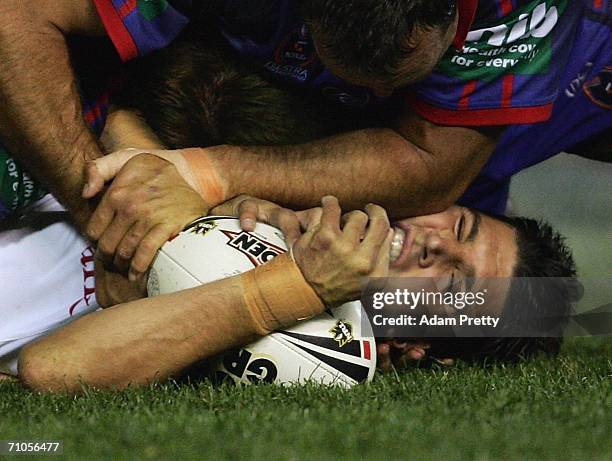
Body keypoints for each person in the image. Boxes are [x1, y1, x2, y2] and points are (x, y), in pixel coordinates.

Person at [0, 44, 576, 391]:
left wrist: (296, 287)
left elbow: (55, 369)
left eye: (453, 281)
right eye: (460, 227)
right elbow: (119, 118)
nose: (432, 244)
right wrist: (191, 204)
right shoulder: (310, 170)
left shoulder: (321, 354)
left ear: (422, 348)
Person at [0, 1, 609, 280]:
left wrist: (205, 174)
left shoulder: (526, 16)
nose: (368, 94)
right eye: (343, 70)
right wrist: (106, 215)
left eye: (395, 79)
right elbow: (17, 16)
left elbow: (429, 166)